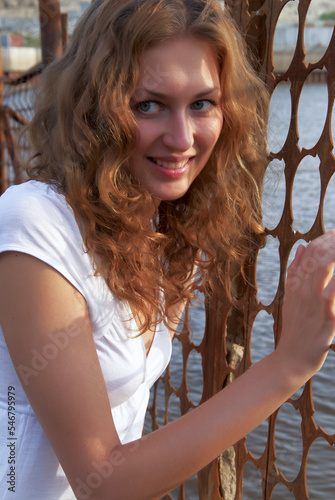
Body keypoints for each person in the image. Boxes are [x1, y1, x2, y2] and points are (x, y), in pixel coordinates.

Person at [0, 0, 334, 498]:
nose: (181, 139)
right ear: (96, 110)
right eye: (148, 104)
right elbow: (103, 479)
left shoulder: (161, 221)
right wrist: (287, 364)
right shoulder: (35, 226)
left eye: (202, 104)